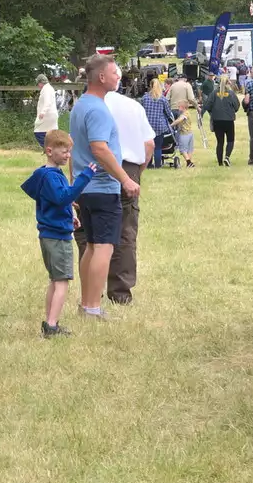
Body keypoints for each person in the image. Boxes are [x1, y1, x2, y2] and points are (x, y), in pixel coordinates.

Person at [69, 55, 139, 320]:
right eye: (114, 73)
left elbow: (76, 149)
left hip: (86, 187)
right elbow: (100, 149)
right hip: (102, 188)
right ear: (101, 77)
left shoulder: (81, 106)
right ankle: (92, 308)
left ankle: (86, 304)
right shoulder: (97, 109)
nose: (118, 77)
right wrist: (125, 179)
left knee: (91, 246)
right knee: (104, 247)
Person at [20, 129, 97, 338]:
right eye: (64, 151)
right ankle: (52, 326)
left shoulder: (46, 175)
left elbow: (54, 201)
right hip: (57, 237)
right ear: (49, 151)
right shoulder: (51, 177)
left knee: (55, 281)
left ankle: (49, 321)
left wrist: (68, 215)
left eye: (69, 151)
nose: (68, 156)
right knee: (62, 282)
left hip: (48, 233)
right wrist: (85, 177)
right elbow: (64, 197)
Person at [104, 81, 155, 306]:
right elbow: (149, 144)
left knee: (93, 232)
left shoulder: (88, 104)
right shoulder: (134, 107)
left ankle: (91, 291)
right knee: (126, 232)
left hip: (97, 167)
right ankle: (121, 292)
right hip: (129, 166)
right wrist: (136, 173)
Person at [206, 75, 242, 166]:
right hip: (229, 120)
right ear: (228, 83)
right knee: (230, 140)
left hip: (217, 120)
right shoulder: (231, 93)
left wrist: (213, 113)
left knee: (220, 142)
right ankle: (227, 157)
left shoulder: (214, 93)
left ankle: (220, 162)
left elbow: (208, 106)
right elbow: (237, 106)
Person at [141, 79, 175, 170]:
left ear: (150, 86)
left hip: (147, 125)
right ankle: (158, 165)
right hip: (159, 126)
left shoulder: (145, 98)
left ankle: (148, 164)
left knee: (149, 146)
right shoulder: (163, 99)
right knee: (158, 147)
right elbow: (168, 113)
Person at [34, 73, 59, 147]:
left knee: (38, 132)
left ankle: (49, 149)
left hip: (47, 115)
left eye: (38, 83)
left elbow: (47, 102)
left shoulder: (46, 89)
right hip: (51, 115)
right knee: (51, 134)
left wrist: (43, 112)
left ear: (41, 82)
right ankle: (53, 149)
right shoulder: (49, 88)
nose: (38, 85)